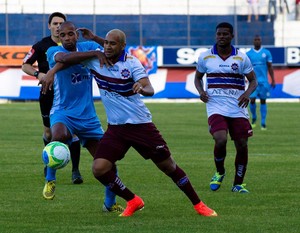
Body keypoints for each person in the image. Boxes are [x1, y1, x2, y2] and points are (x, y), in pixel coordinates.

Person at [42, 28, 218, 217]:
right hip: (116, 129)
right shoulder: (95, 60)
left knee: (168, 167)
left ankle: (199, 205)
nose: (107, 46)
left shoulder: (132, 63)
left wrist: (141, 88)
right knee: (99, 169)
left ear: (123, 46)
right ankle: (133, 200)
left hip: (141, 125)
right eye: (106, 43)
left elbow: (149, 88)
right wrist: (51, 71)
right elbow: (66, 60)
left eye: (112, 43)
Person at [38, 21, 123, 213]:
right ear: (59, 38)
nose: (67, 38)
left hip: (88, 116)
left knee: (107, 162)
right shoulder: (53, 51)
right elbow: (65, 59)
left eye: (70, 34)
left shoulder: (89, 45)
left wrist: (95, 39)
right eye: (63, 35)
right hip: (63, 111)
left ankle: (110, 203)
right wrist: (95, 53)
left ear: (77, 34)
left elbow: (112, 50)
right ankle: (50, 179)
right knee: (57, 136)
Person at [194, 22, 258, 194]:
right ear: (216, 36)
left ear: (232, 36)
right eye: (219, 34)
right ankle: (220, 171)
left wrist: (247, 94)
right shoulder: (205, 56)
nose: (221, 37)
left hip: (237, 107)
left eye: (225, 34)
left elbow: (253, 80)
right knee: (220, 139)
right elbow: (197, 78)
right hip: (215, 105)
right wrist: (201, 91)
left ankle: (238, 184)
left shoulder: (241, 57)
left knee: (242, 144)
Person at [22, 12, 83, 184]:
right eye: (55, 23)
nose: (58, 26)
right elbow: (25, 65)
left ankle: (76, 171)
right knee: (49, 133)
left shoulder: (73, 45)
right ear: (49, 26)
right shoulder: (41, 45)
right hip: (48, 94)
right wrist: (38, 74)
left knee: (74, 132)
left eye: (61, 23)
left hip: (69, 95)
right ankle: (50, 159)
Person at [246, 35, 275, 130]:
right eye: (255, 40)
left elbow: (270, 67)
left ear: (261, 41)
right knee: (252, 100)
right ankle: (254, 117)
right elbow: (245, 68)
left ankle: (263, 122)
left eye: (259, 40)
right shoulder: (249, 54)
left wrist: (273, 80)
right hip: (253, 82)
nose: (257, 41)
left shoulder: (266, 53)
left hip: (264, 82)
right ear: (253, 41)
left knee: (263, 101)